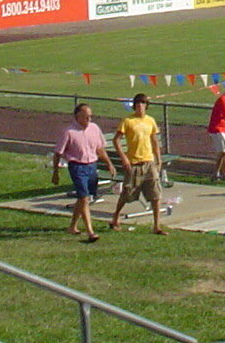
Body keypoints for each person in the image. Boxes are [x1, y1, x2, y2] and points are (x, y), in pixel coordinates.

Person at [52, 103, 116, 242]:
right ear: (77, 116)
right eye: (86, 116)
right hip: (77, 167)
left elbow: (100, 149)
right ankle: (90, 232)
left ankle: (72, 226)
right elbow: (58, 153)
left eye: (90, 116)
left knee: (83, 198)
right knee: (84, 198)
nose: (89, 119)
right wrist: (55, 172)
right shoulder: (69, 132)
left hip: (92, 166)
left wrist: (109, 164)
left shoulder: (94, 128)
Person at [109, 94, 166, 235]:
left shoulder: (150, 121)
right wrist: (123, 157)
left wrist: (158, 159)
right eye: (138, 104)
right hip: (133, 163)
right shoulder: (128, 121)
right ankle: (115, 217)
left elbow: (154, 141)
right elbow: (116, 140)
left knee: (155, 194)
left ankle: (157, 226)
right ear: (134, 106)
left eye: (143, 104)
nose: (140, 106)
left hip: (149, 162)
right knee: (127, 194)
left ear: (146, 106)